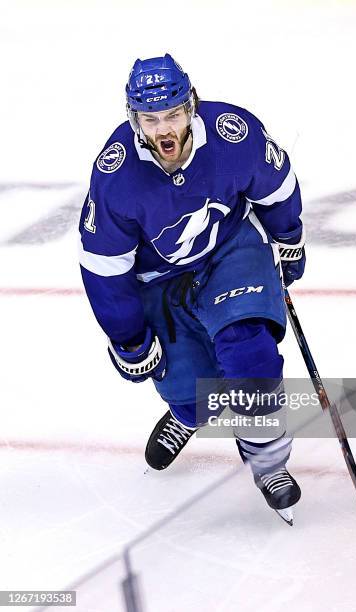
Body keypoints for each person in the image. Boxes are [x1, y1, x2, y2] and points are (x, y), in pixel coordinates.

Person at [79, 54, 306, 525]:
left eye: (174, 114)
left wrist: (287, 237)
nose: (164, 128)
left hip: (230, 250)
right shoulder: (117, 173)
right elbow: (103, 268)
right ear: (135, 118)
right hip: (159, 278)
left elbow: (276, 186)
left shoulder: (231, 133)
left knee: (249, 350)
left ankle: (265, 457)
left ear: (192, 105)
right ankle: (187, 414)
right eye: (151, 118)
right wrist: (129, 339)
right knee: (189, 391)